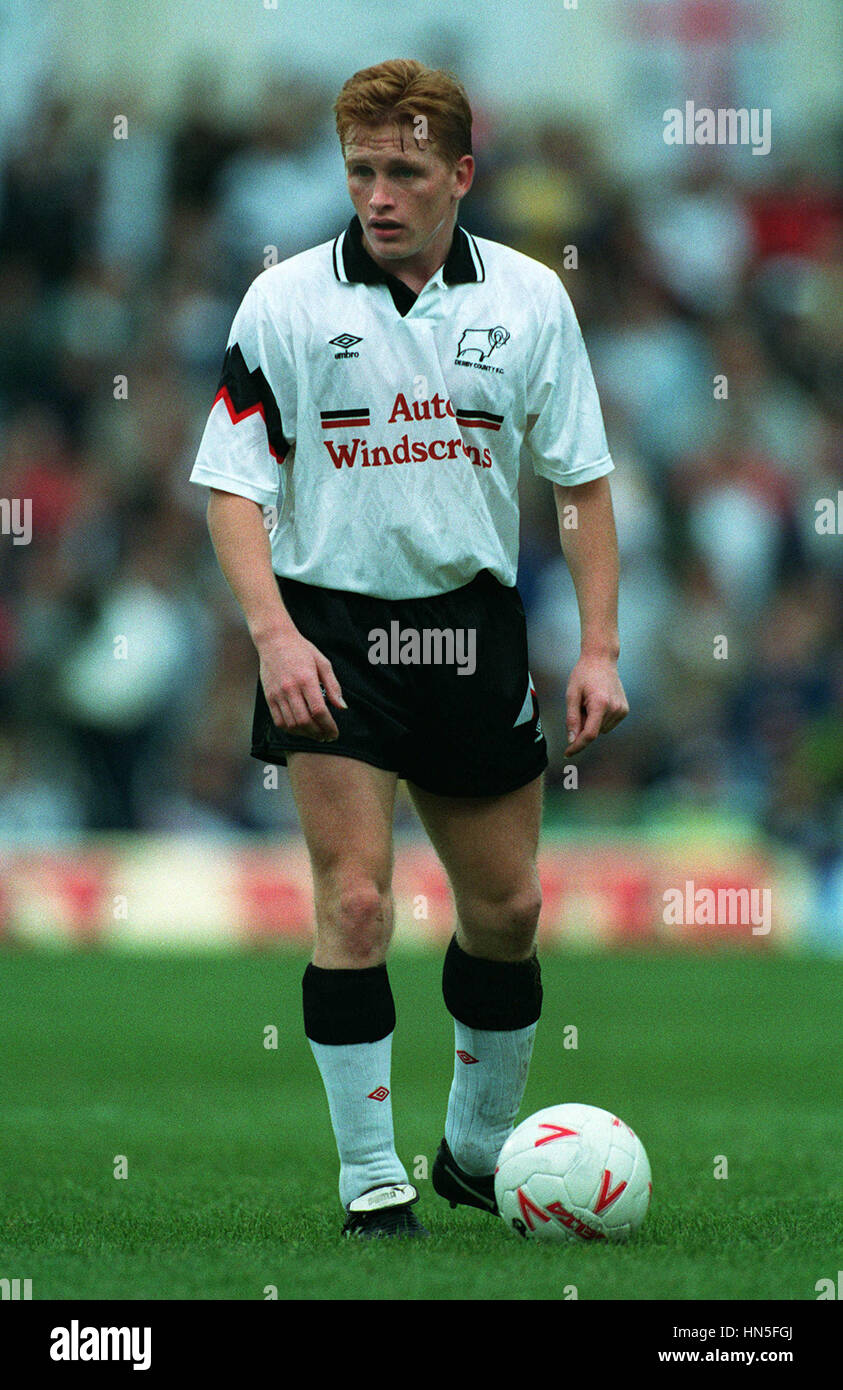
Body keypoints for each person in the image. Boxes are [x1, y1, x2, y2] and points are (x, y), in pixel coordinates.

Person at [190, 59, 628, 1238]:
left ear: (461, 175)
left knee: (511, 907)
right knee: (359, 903)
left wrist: (598, 646)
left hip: (472, 630)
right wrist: (273, 635)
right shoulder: (283, 304)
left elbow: (579, 483)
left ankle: (479, 1155)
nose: (379, 194)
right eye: (361, 170)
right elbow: (234, 489)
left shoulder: (532, 299)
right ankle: (370, 1176)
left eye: (406, 171)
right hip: (330, 629)